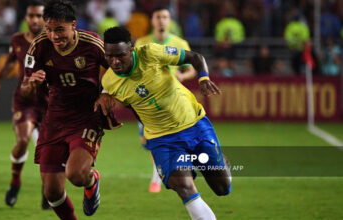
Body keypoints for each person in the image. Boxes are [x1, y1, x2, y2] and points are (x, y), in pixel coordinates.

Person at [97, 27, 232, 220]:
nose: (115, 62)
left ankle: (221, 159)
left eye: (120, 55)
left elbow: (195, 57)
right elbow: (135, 107)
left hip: (194, 124)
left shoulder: (151, 53)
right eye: (109, 56)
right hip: (163, 140)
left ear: (131, 49)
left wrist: (203, 78)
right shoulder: (110, 82)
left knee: (222, 188)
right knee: (183, 187)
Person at [20, 1, 120, 219]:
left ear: (73, 25)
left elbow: (119, 69)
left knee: (75, 174)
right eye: (49, 29)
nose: (54, 36)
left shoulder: (93, 44)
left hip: (87, 116)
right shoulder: (38, 46)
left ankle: (91, 180)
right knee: (51, 192)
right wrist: (32, 84)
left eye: (59, 30)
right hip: (55, 118)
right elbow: (25, 89)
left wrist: (107, 92)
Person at [0, 0, 49, 209]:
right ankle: (15, 182)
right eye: (31, 16)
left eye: (39, 16)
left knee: (48, 150)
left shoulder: (53, 41)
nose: (35, 19)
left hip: (49, 102)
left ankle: (48, 190)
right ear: (26, 18)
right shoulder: (17, 40)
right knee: (22, 140)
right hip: (25, 101)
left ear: (45, 18)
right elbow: (12, 61)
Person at [134, 6, 197, 193]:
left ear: (169, 21)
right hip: (148, 102)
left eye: (165, 17)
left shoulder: (179, 43)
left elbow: (192, 67)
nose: (161, 20)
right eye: (158, 17)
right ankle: (163, 171)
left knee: (171, 139)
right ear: (152, 21)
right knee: (147, 142)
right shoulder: (141, 43)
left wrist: (183, 77)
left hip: (173, 101)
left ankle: (158, 176)